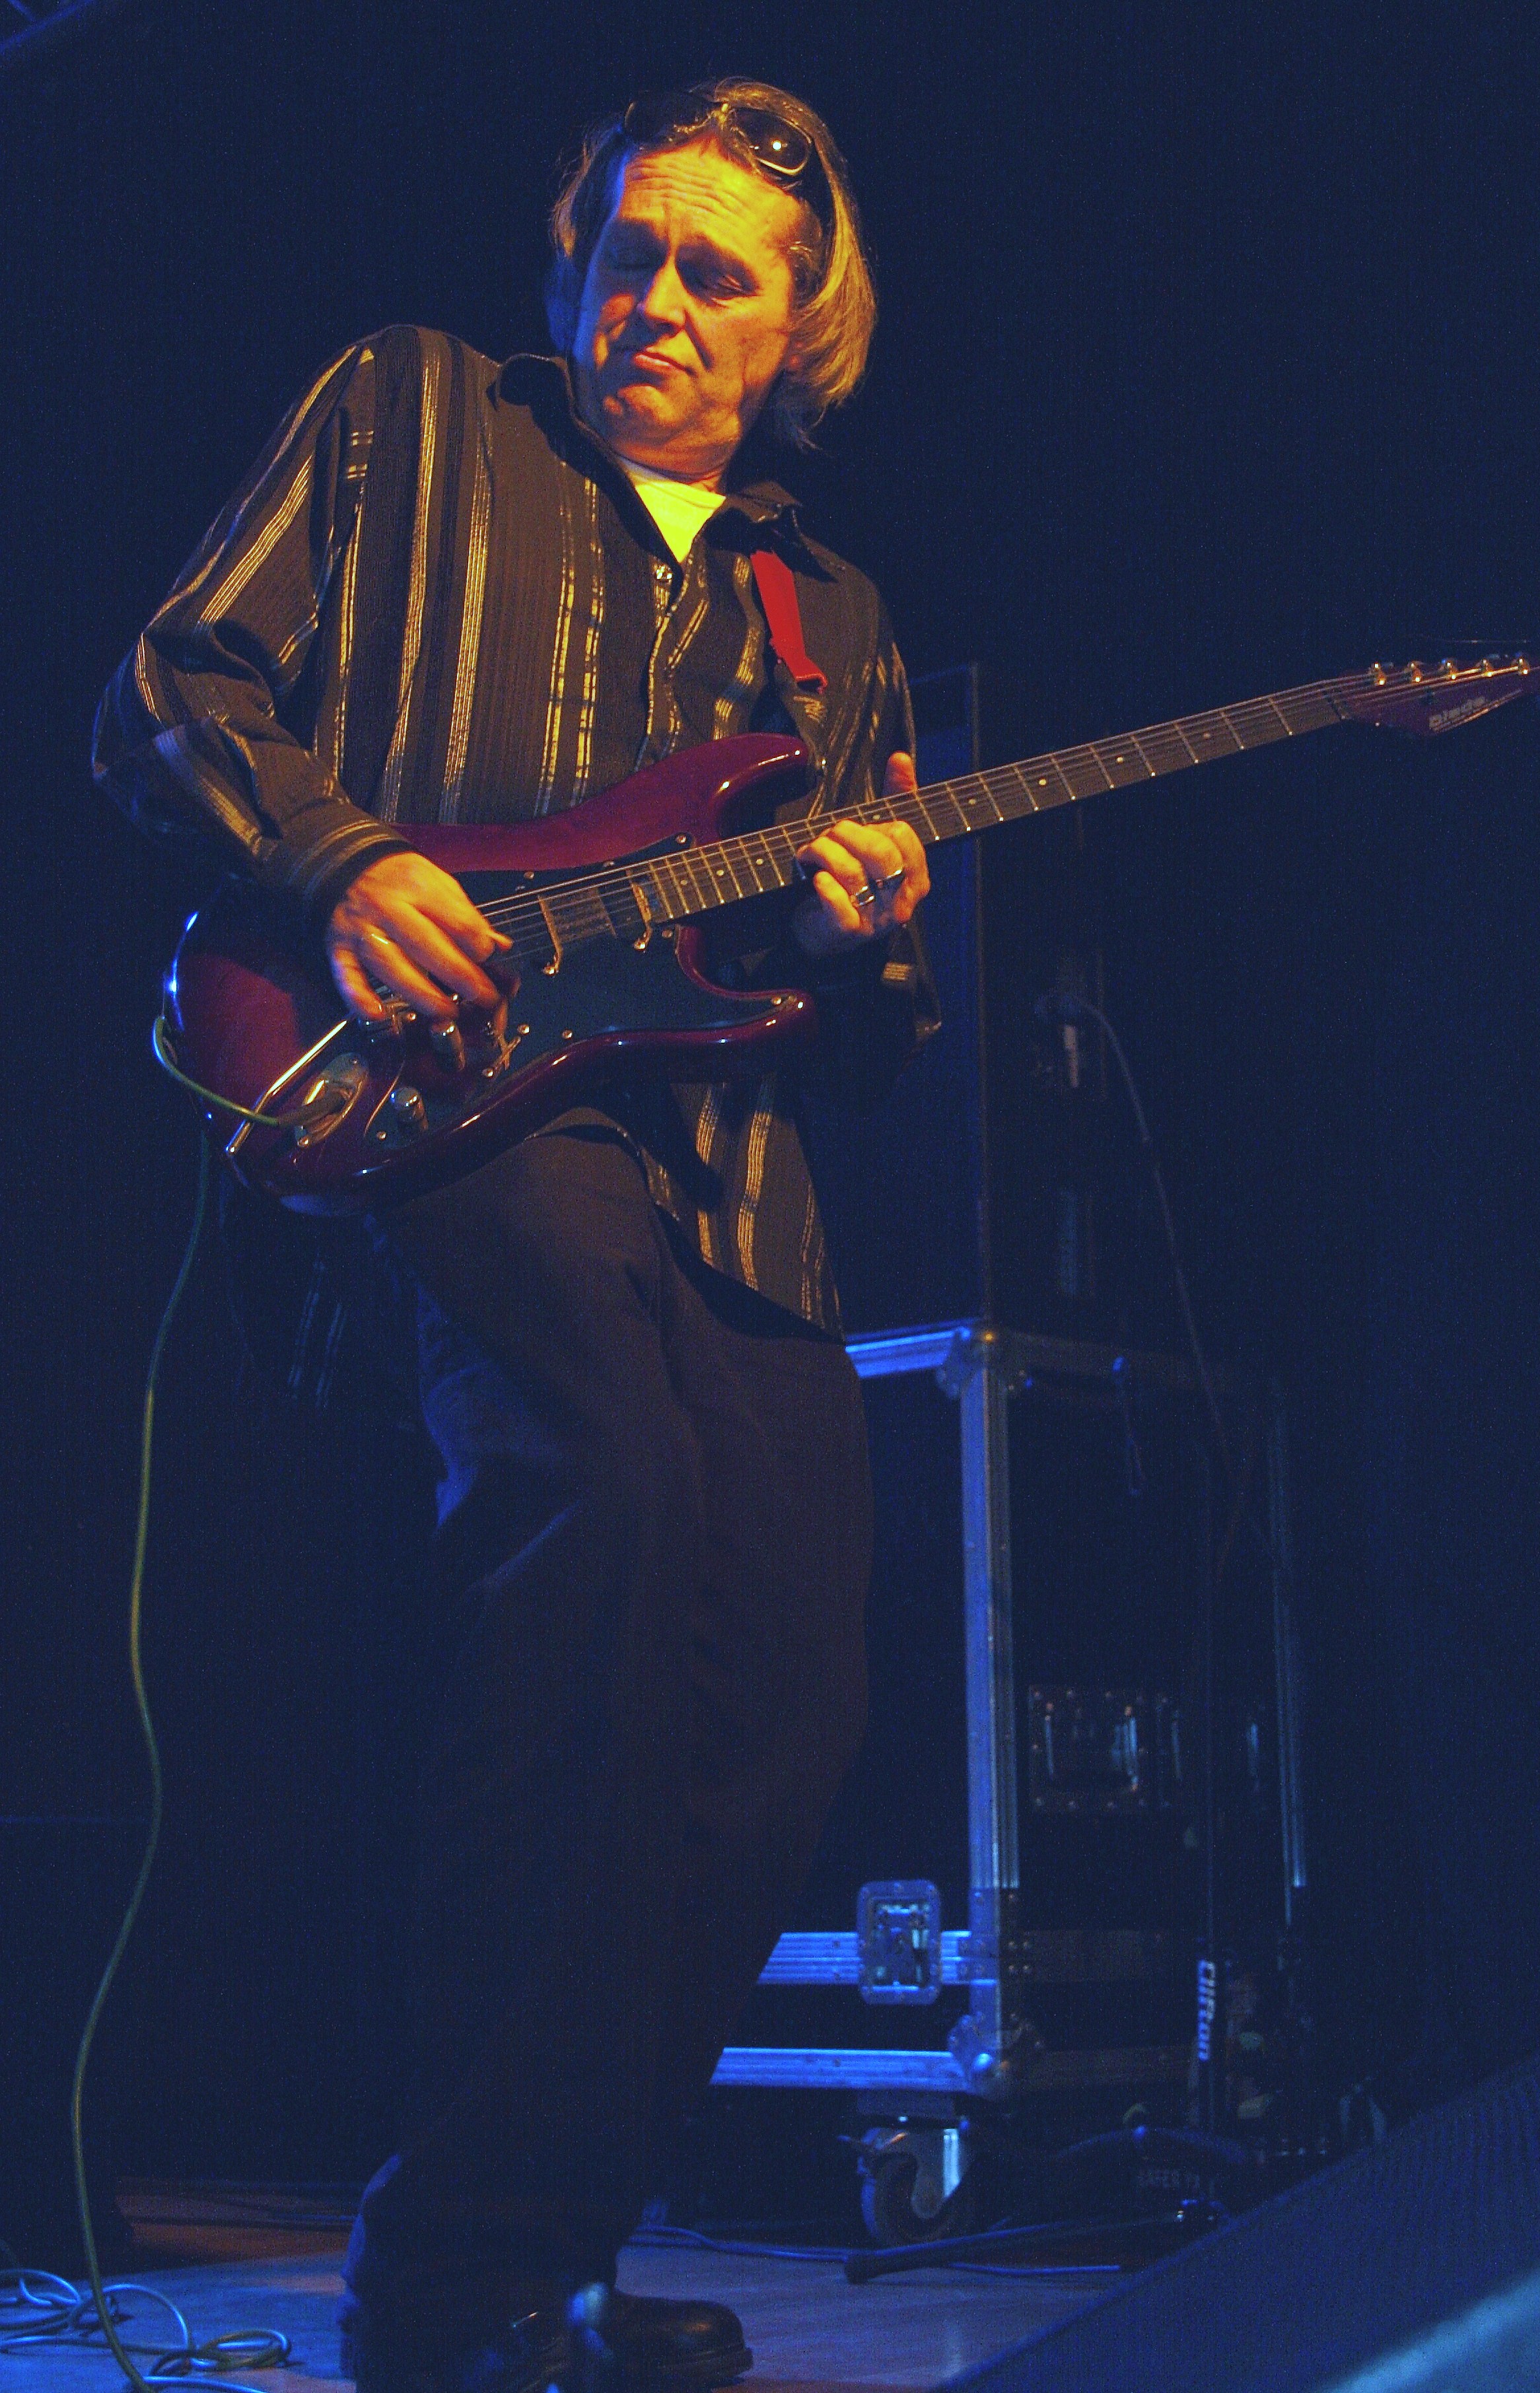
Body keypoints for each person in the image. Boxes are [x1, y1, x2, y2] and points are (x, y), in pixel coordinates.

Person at [94, 79, 936, 2393]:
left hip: (727, 1185)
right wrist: (345, 863)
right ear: (573, 257)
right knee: (608, 1504)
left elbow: (855, 1043)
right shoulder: (411, 413)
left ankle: (551, 2245)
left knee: (793, 1696)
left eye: (715, 275)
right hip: (431, 1101)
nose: (655, 299)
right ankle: (447, 2280)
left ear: (796, 333)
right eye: (628, 251)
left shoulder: (832, 618)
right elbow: (167, 688)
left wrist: (864, 934)